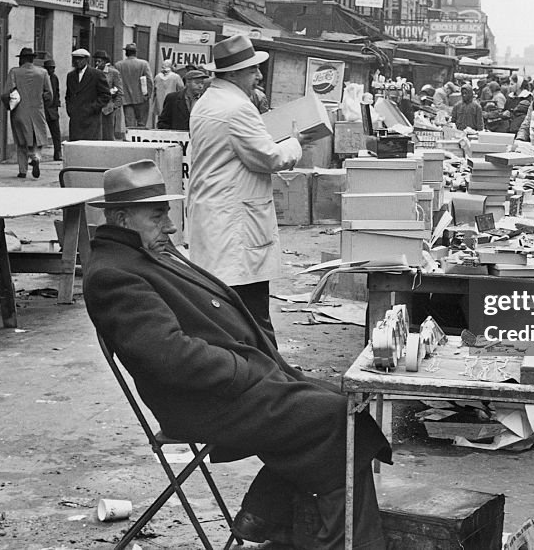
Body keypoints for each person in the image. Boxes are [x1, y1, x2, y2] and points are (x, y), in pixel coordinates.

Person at [83, 160, 390, 550]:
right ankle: (329, 538)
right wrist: (243, 371)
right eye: (158, 216)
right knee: (337, 420)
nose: (170, 226)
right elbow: (167, 355)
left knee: (346, 406)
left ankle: (272, 518)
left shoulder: (144, 253)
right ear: (124, 218)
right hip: (204, 400)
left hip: (231, 385)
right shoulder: (115, 273)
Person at [188, 35, 310, 344]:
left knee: (223, 306)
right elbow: (269, 157)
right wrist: (296, 142)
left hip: (215, 216)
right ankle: (268, 378)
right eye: (252, 70)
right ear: (232, 74)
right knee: (252, 315)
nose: (258, 76)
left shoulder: (208, 101)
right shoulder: (237, 108)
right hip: (234, 224)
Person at [2, 46, 52, 179]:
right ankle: (36, 157)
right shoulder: (43, 73)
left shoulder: (14, 72)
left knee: (21, 141)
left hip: (20, 111)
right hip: (37, 111)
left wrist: (9, 105)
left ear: (22, 59)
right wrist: (43, 103)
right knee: (38, 139)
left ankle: (22, 170)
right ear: (32, 59)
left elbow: (6, 93)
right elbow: (49, 94)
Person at [65, 48, 111, 142]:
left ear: (86, 60)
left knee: (89, 147)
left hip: (91, 119)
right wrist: (70, 109)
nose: (77, 61)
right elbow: (68, 95)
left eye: (80, 59)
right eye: (75, 59)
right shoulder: (71, 76)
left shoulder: (96, 74)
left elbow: (105, 95)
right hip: (76, 119)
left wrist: (92, 108)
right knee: (76, 147)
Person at [115, 43, 154, 129]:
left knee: (130, 126)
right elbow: (149, 80)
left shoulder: (118, 65)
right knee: (142, 125)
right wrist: (148, 95)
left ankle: (131, 141)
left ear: (126, 53)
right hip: (141, 98)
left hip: (126, 99)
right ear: (135, 53)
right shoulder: (143, 64)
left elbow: (117, 82)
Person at [94, 50, 125, 141]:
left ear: (104, 61)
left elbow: (119, 91)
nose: (97, 63)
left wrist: (115, 106)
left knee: (108, 134)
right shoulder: (93, 72)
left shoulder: (113, 73)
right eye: (96, 61)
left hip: (108, 108)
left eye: (99, 61)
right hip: (95, 107)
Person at [147, 62, 184, 128]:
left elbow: (154, 90)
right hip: (173, 101)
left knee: (161, 116)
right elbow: (181, 88)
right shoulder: (176, 77)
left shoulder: (157, 77)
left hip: (160, 100)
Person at [42, 58, 62, 162]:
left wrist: (57, 103)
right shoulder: (41, 77)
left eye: (53, 68)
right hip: (42, 108)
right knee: (39, 132)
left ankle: (58, 153)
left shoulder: (54, 78)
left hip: (52, 109)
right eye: (50, 68)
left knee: (56, 133)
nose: (52, 70)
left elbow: (57, 92)